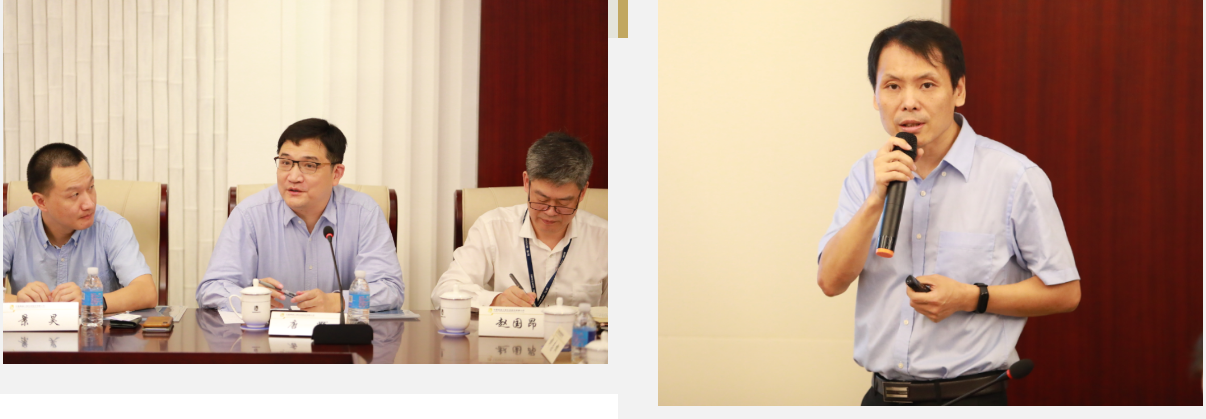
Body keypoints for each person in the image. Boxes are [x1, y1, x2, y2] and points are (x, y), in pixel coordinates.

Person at [815, 20, 1081, 406]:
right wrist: (875, 199)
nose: (908, 102)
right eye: (892, 86)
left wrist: (970, 297)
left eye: (926, 85)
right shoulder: (866, 174)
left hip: (969, 398)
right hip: (881, 398)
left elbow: (1065, 293)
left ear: (958, 90)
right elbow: (830, 281)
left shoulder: (1013, 176)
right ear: (875, 96)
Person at [196, 118, 404, 312]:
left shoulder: (364, 213)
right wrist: (250, 298)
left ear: (336, 174)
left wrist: (339, 302)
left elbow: (390, 289)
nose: (293, 177)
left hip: (338, 337)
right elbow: (212, 288)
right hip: (266, 336)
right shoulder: (250, 214)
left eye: (309, 165)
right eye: (286, 163)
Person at [431, 132, 607, 309]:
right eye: (542, 199)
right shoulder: (493, 228)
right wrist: (495, 300)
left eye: (564, 203)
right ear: (526, 182)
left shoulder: (605, 238)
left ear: (582, 192)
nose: (550, 212)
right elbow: (444, 292)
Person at [4, 143, 157, 313]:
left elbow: (146, 292)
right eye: (74, 195)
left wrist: (90, 301)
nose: (89, 204)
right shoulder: (11, 230)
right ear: (41, 202)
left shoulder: (112, 227)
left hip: (96, 330)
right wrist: (19, 303)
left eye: (91, 187)